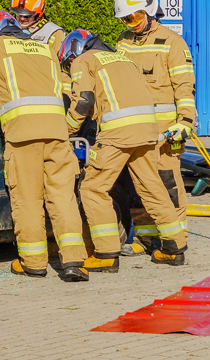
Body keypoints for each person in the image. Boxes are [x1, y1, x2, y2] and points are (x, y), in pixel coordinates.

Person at [0, 11, 88, 282]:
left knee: (28, 199)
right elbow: (63, 88)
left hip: (22, 135)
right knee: (62, 198)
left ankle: (34, 263)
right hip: (57, 132)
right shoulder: (45, 49)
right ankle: (74, 261)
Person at [61, 29, 187, 271]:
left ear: (73, 49)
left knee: (93, 188)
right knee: (151, 186)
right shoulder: (123, 58)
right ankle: (174, 247)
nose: (70, 65)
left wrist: (66, 129)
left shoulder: (83, 60)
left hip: (117, 133)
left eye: (67, 61)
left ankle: (106, 253)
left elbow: (84, 100)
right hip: (148, 130)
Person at [114, 0, 195, 254]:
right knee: (138, 185)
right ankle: (147, 237)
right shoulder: (122, 43)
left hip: (165, 132)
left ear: (149, 11)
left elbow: (184, 87)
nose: (131, 23)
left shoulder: (172, 43)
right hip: (135, 132)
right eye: (126, 18)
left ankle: (176, 236)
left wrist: (185, 122)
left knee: (167, 183)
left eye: (135, 16)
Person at [9, 0, 69, 85]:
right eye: (19, 14)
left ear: (39, 13)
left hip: (42, 87)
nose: (22, 18)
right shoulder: (10, 29)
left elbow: (61, 71)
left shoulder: (54, 33)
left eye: (27, 15)